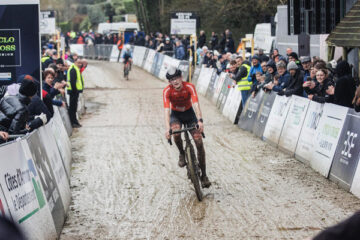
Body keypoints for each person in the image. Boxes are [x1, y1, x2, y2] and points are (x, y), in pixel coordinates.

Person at [163, 67, 211, 188]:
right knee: (176, 133)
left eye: (176, 78)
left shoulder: (189, 87)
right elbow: (166, 110)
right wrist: (167, 128)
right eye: (172, 80)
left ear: (181, 78)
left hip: (190, 115)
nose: (175, 81)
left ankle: (204, 175)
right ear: (169, 82)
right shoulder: (167, 91)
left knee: (199, 142)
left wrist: (200, 120)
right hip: (176, 116)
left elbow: (196, 104)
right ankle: (182, 153)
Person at [66, 58, 84, 128]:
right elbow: (73, 82)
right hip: (73, 91)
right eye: (78, 63)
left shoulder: (75, 69)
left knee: (74, 107)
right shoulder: (73, 69)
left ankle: (74, 121)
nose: (80, 64)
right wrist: (76, 91)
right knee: (72, 108)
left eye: (80, 63)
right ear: (75, 62)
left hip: (74, 91)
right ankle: (73, 122)